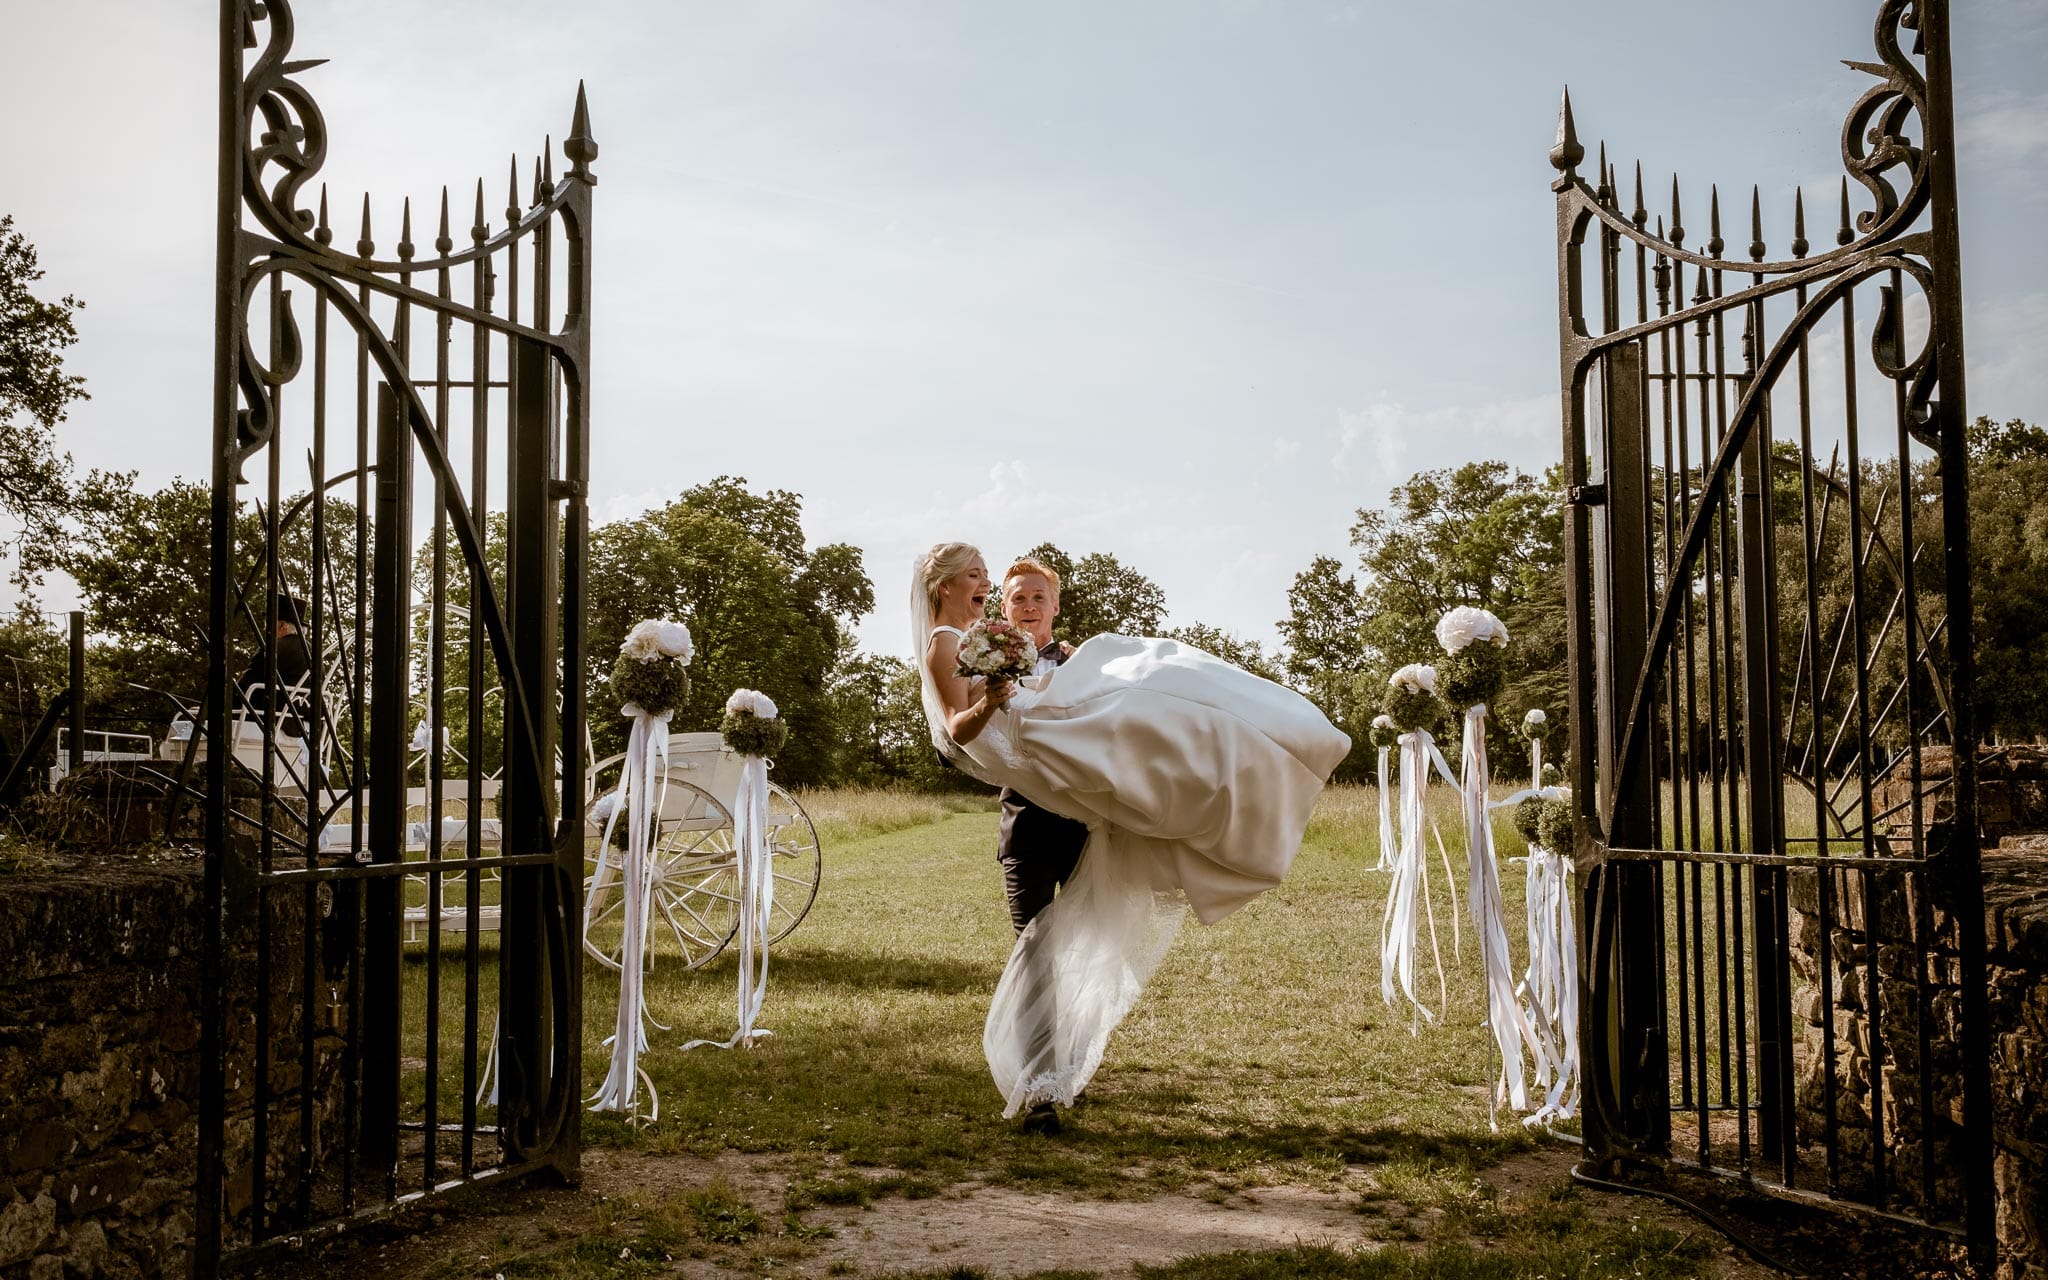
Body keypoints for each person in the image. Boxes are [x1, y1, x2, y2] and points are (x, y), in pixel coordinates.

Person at [914, 542, 1349, 1122]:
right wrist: (997, 698)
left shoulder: (1048, 655)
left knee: (1147, 691)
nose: (1001, 595)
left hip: (1082, 817)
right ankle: (1043, 1085)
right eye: (988, 583)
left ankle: (1249, 751)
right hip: (1026, 825)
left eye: (1027, 594)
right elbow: (956, 729)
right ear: (944, 586)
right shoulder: (959, 646)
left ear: (1055, 607)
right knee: (1037, 952)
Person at [993, 557, 1088, 936]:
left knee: (1084, 946)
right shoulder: (984, 664)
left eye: (1038, 597)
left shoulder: (1080, 663)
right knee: (1030, 945)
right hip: (1024, 825)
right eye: (1019, 599)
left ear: (1055, 606)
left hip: (1083, 825)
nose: (1029, 606)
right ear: (1005, 608)